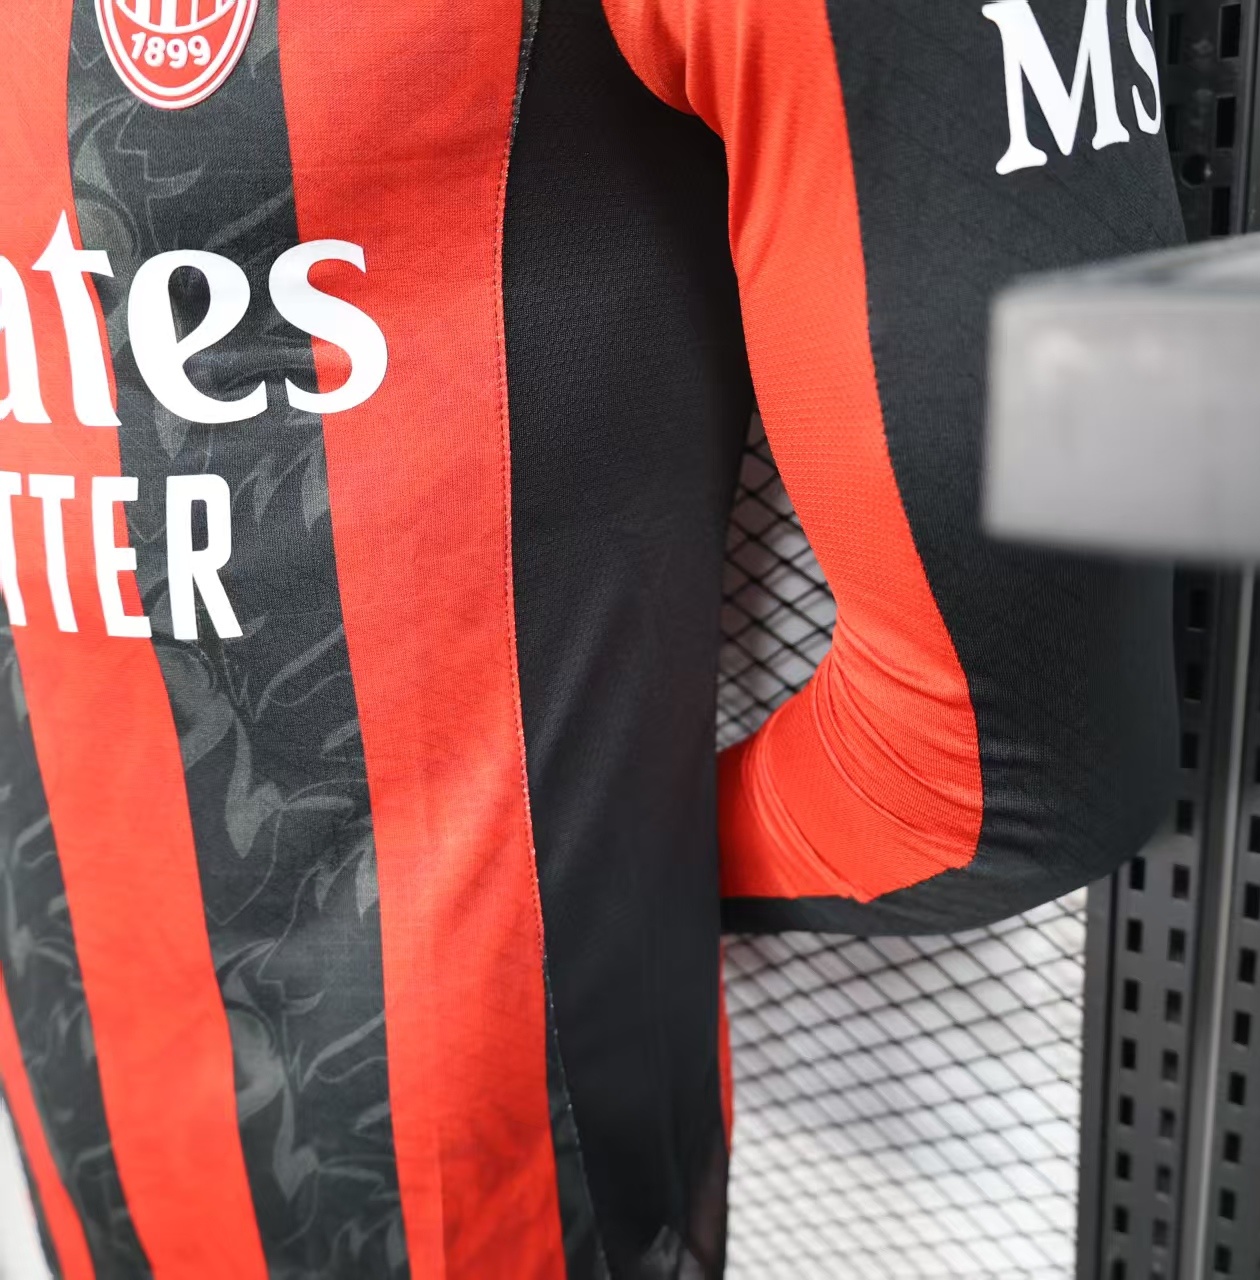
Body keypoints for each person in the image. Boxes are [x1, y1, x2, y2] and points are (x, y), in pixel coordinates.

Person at [0, 0, 1180, 1275]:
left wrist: (579, 858)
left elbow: (993, 765)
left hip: (487, 1174)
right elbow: (998, 771)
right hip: (88, 1110)